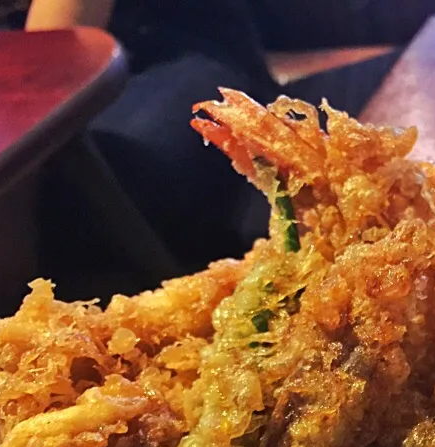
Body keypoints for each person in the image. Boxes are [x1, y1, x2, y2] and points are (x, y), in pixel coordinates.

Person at [26, 0, 280, 268]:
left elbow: (56, 43)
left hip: (176, 43)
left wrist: (16, 187)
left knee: (99, 183)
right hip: (10, 62)